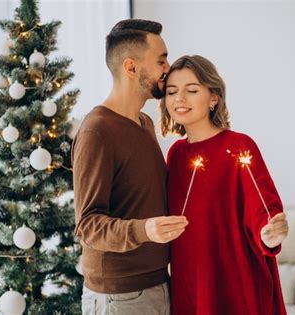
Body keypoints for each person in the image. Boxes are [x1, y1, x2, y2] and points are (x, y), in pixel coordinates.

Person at [72, 19, 188, 315]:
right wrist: (145, 229)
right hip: (119, 297)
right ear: (131, 67)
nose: (168, 68)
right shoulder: (97, 131)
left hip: (158, 284)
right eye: (161, 60)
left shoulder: (145, 123)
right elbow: (87, 225)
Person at [160, 55, 289, 315]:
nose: (179, 99)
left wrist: (269, 231)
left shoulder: (239, 146)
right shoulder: (175, 154)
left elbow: (263, 206)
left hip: (235, 280)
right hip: (190, 281)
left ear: (213, 97)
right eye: (171, 92)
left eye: (192, 90)